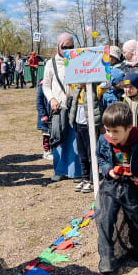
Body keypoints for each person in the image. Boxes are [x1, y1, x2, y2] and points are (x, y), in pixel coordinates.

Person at [96, 102, 138, 274]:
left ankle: (137, 250)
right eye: (107, 129)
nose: (110, 135)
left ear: (129, 128)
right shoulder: (104, 139)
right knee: (106, 218)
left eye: (115, 131)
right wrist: (108, 171)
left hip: (135, 187)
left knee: (136, 219)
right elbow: (100, 157)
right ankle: (107, 259)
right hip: (112, 184)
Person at [43, 32, 81, 182]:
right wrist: (51, 98)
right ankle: (59, 170)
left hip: (76, 105)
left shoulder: (77, 60)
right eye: (65, 47)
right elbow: (46, 85)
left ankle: (75, 171)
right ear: (59, 46)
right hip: (58, 106)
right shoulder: (50, 63)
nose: (68, 50)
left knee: (75, 140)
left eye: (71, 47)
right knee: (58, 138)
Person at [69, 83, 103, 193]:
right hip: (79, 126)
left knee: (91, 155)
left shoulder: (95, 89)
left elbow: (106, 84)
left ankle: (93, 180)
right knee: (82, 154)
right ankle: (85, 178)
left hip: (91, 127)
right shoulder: (77, 88)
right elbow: (70, 78)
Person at [36, 80, 52, 160]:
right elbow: (39, 102)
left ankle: (52, 150)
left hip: (53, 113)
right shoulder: (42, 86)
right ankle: (46, 151)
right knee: (46, 135)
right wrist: (43, 115)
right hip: (46, 115)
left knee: (54, 134)